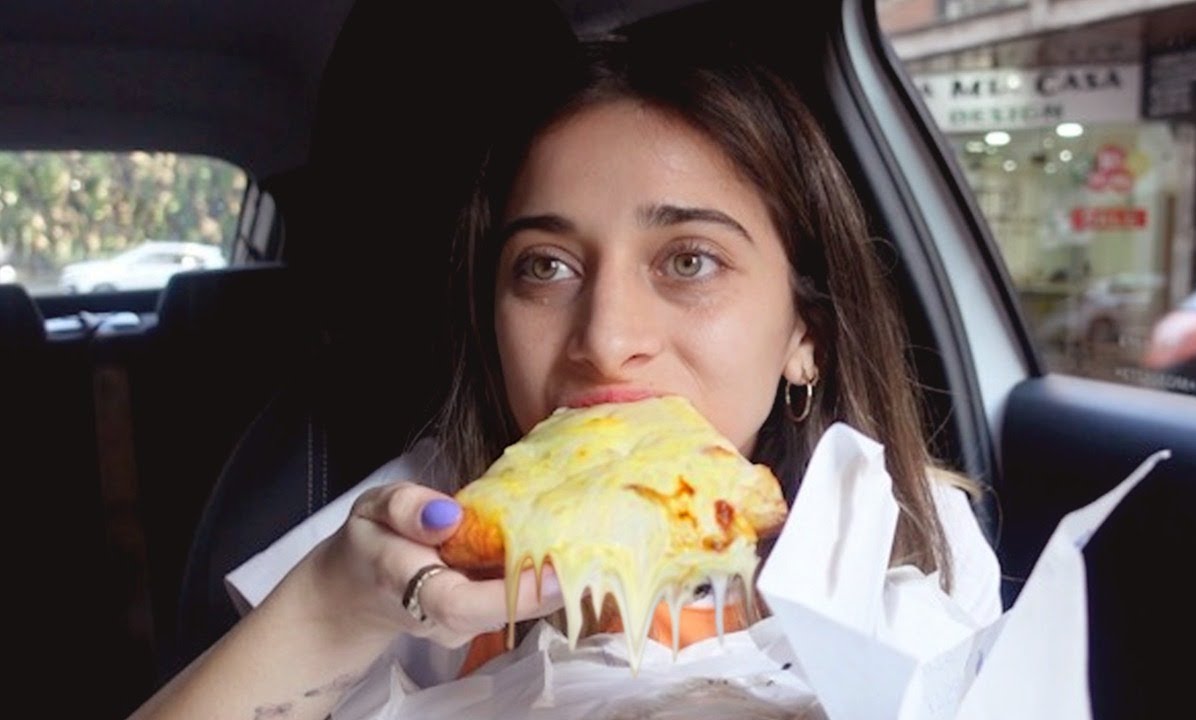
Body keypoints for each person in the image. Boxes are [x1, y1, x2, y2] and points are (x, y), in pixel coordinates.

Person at [129, 38, 1000, 719]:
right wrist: (328, 612)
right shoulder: (417, 540)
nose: (606, 340)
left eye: (689, 261)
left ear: (805, 334)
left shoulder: (906, 536)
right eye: (545, 267)